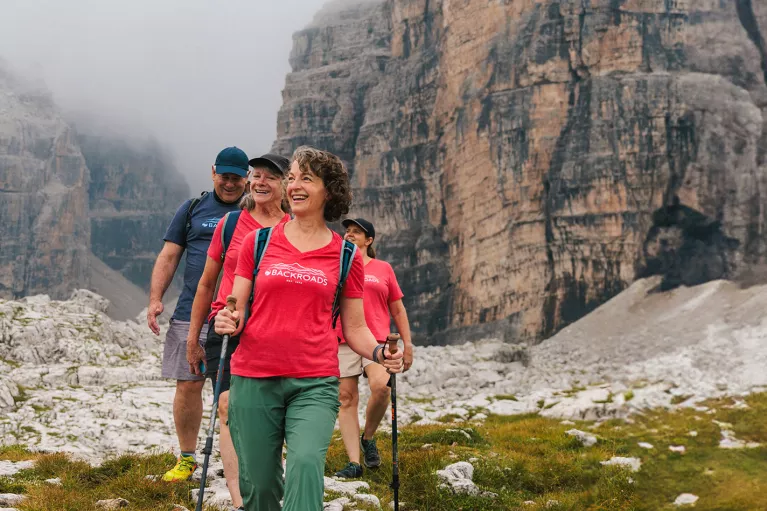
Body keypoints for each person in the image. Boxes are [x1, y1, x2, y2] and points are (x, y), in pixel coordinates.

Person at [213, 146, 404, 511]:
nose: (294, 186)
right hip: (254, 376)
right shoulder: (259, 242)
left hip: (314, 381)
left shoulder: (346, 256)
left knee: (304, 466)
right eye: (292, 178)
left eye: (307, 178)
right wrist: (227, 319)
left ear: (328, 191)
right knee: (261, 485)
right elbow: (234, 306)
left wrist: (381, 353)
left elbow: (355, 328)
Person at [185, 153, 291, 508]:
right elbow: (206, 283)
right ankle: (240, 497)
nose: (261, 182)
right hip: (226, 328)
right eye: (256, 176)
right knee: (228, 405)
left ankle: (265, 484)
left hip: (275, 331)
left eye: (270, 177)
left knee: (268, 412)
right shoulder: (230, 224)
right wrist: (194, 337)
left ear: (286, 185)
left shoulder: (296, 228)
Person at [147, 146, 249, 482]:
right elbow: (169, 255)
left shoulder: (257, 212)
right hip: (191, 312)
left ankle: (244, 459)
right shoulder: (192, 209)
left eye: (237, 177)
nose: (230, 183)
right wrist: (155, 299)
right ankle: (188, 459)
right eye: (225, 176)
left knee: (240, 393)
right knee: (188, 386)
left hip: (242, 318)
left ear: (247, 178)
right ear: (213, 173)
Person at [333, 218, 414, 478]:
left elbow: (398, 309)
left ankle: (368, 437)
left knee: (382, 387)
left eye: (357, 232)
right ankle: (355, 463)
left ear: (369, 240)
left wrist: (407, 344)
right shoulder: (337, 266)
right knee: (346, 398)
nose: (350, 235)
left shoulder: (383, 268)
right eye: (347, 231)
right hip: (342, 339)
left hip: (377, 340)